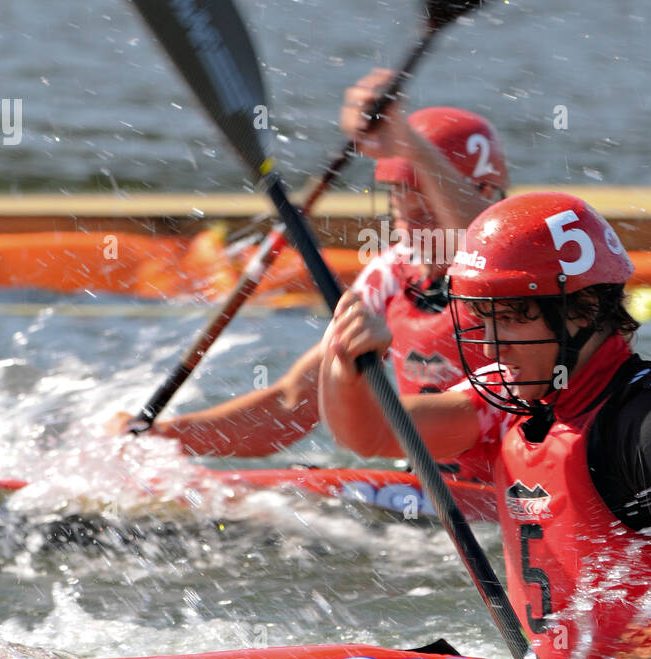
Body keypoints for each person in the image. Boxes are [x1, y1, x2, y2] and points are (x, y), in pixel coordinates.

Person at [319, 191, 651, 659]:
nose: (490, 345)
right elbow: (368, 432)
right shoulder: (513, 401)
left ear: (584, 311)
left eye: (512, 318)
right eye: (484, 318)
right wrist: (344, 362)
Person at [109, 70, 507, 478]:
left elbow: (484, 246)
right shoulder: (388, 275)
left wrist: (411, 145)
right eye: (400, 201)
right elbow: (292, 404)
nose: (409, 220)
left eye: (426, 205)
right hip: (429, 485)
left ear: (488, 196)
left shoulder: (516, 275)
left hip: (512, 492)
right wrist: (166, 438)